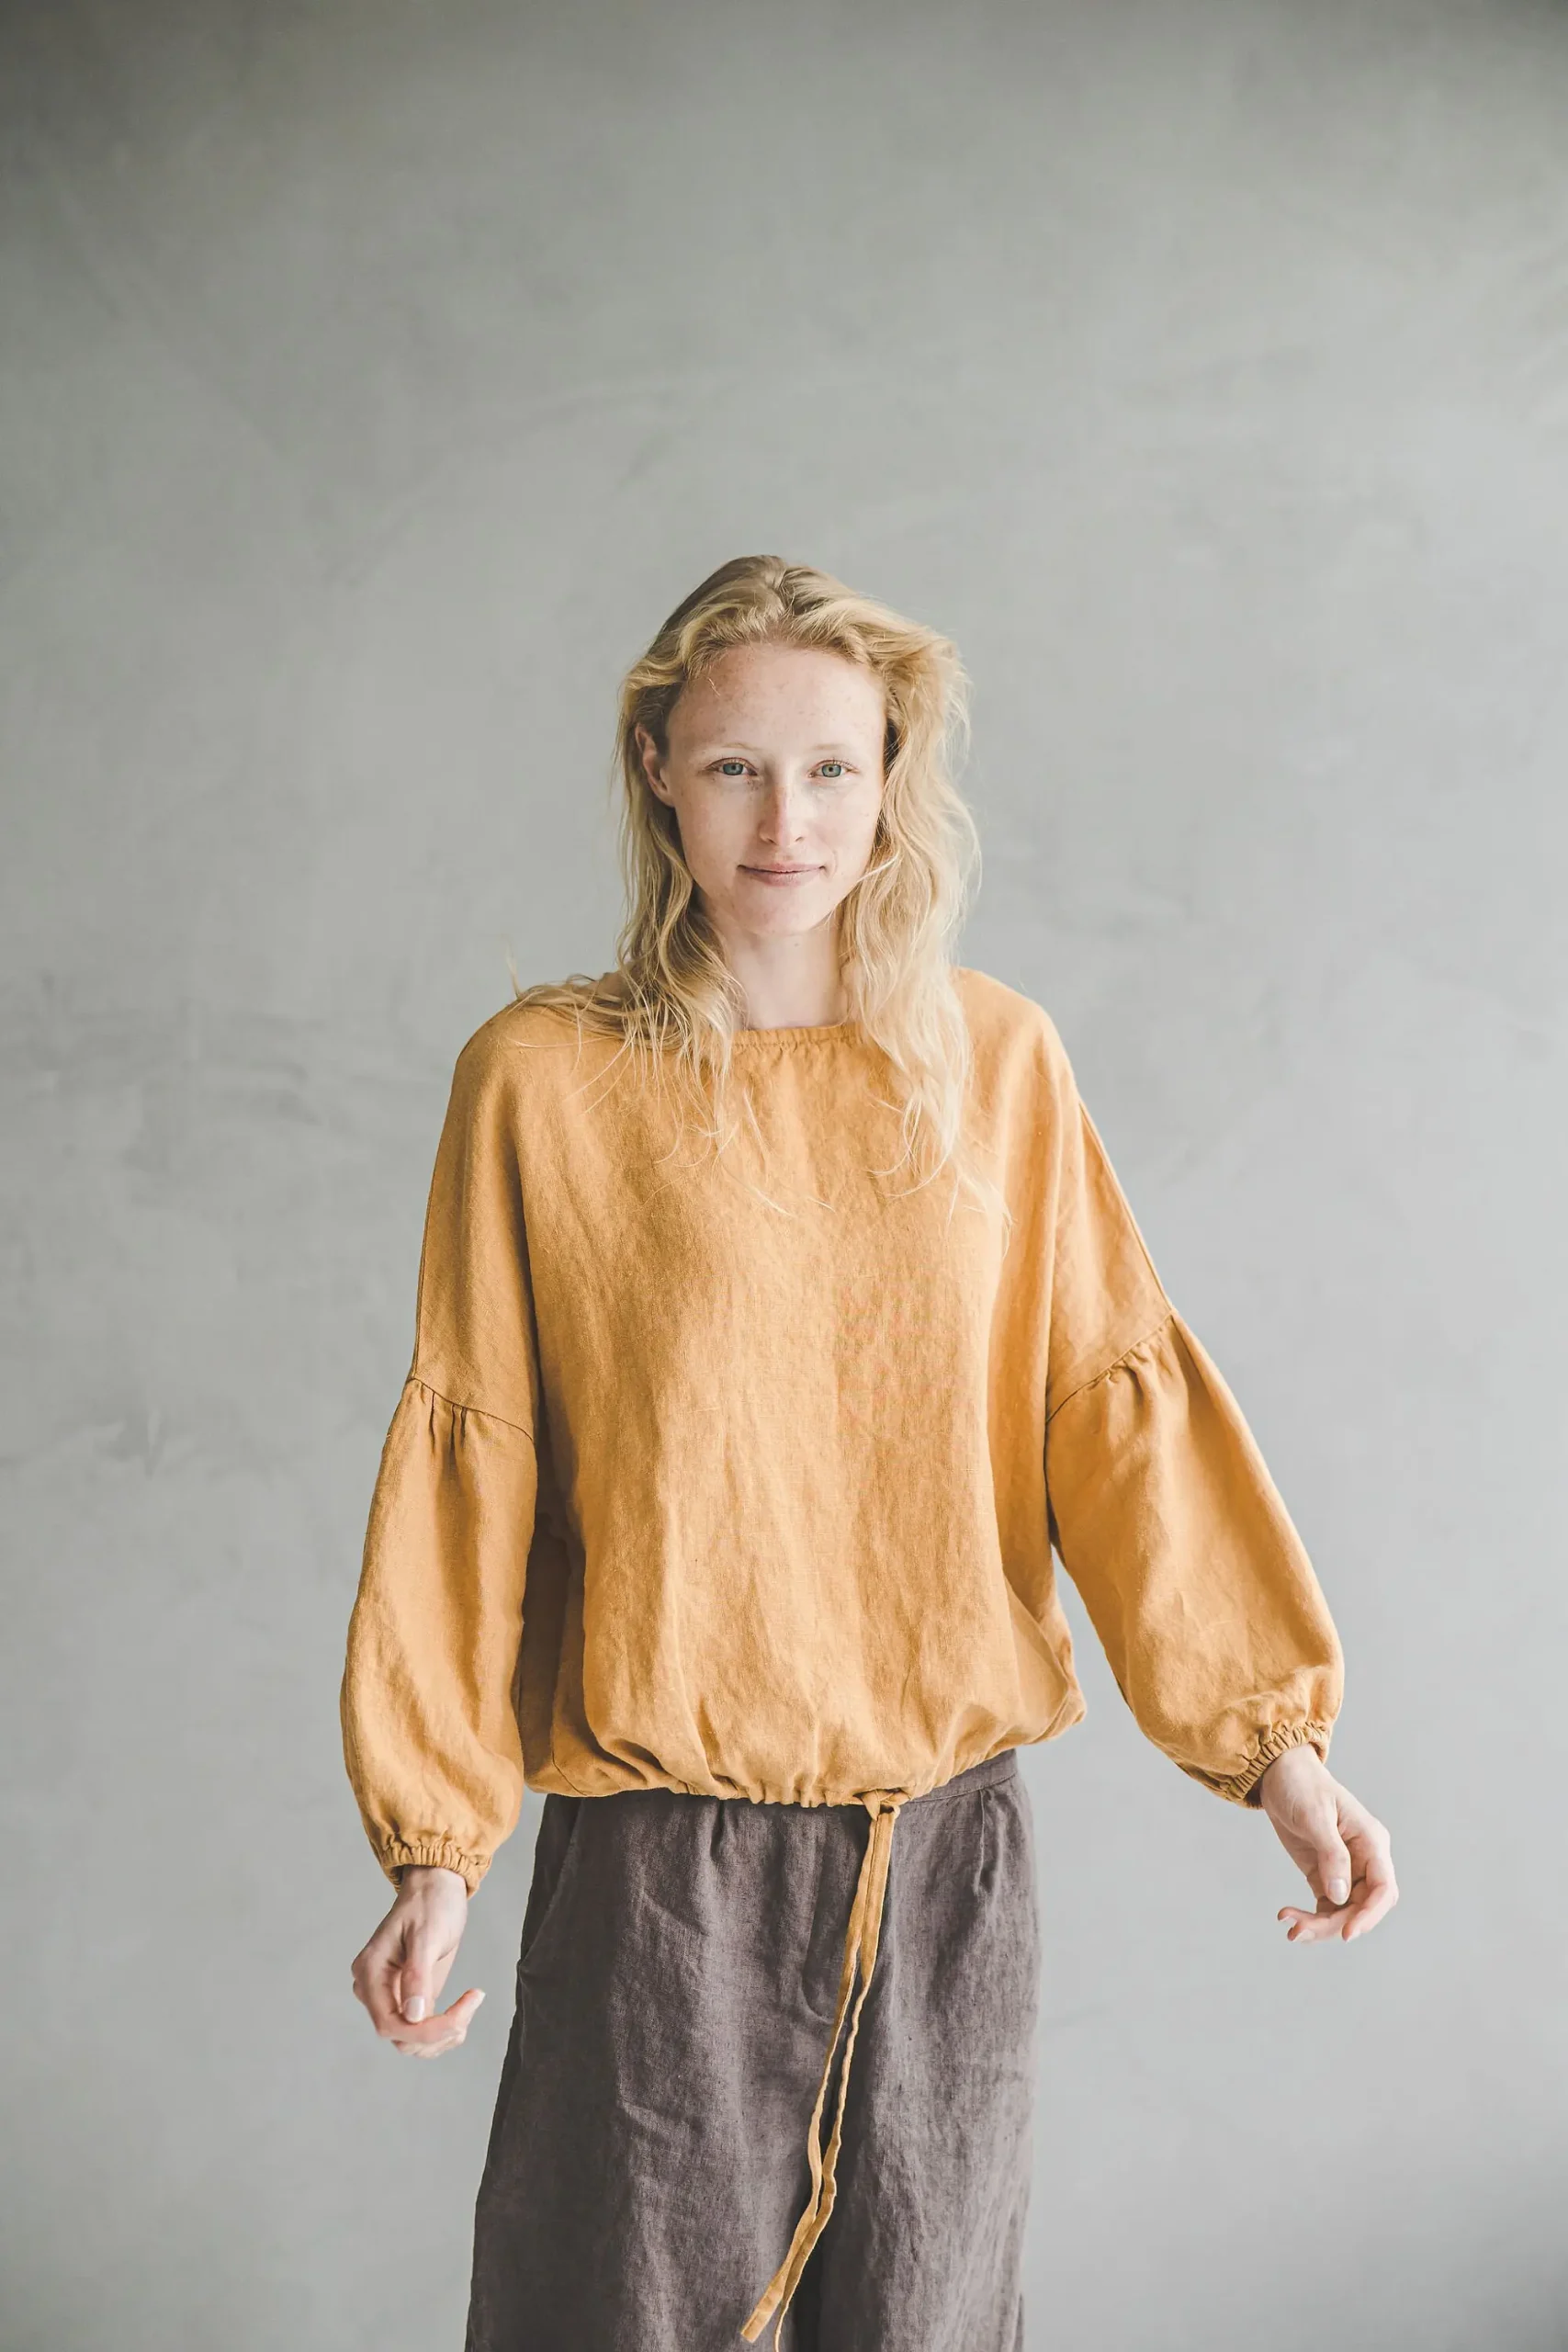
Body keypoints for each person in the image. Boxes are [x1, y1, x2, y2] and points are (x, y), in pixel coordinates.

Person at [339, 554, 1398, 2352]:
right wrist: (435, 1844)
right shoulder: (539, 1081)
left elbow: (1106, 1415)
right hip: (657, 1871)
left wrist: (1277, 1753)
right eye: (736, 767)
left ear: (892, 778)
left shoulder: (996, 1062)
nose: (788, 821)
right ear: (657, 771)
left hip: (942, 1857)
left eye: (834, 767)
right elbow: (476, 1466)